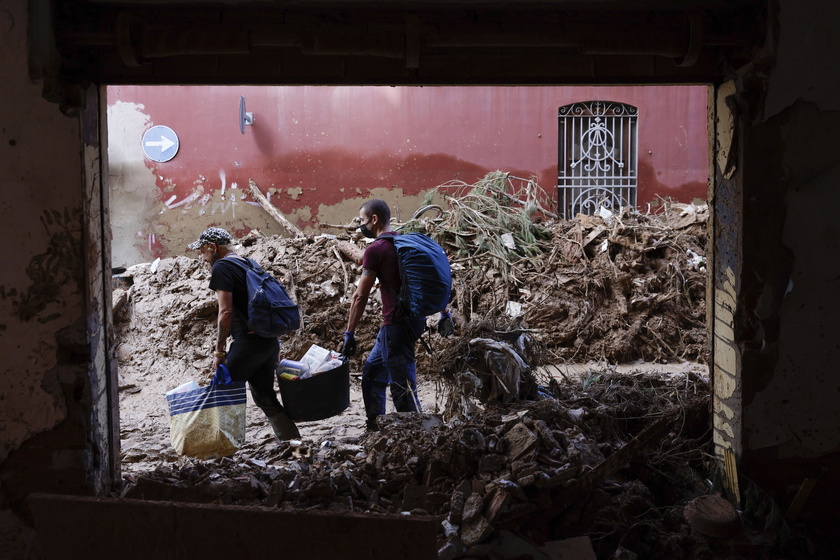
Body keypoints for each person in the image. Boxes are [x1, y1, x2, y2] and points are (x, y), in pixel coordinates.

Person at [340, 199, 453, 431]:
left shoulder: (375, 250)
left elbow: (359, 297)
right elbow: (423, 279)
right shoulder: (403, 242)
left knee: (402, 387)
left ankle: (420, 435)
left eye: (362, 221)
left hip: (396, 326)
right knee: (372, 371)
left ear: (374, 219)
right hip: (412, 321)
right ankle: (375, 427)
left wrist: (349, 333)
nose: (361, 226)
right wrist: (444, 312)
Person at [188, 226, 300, 441]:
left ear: (213, 247)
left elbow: (226, 311)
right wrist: (274, 341)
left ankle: (221, 455)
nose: (202, 258)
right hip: (267, 343)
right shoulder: (248, 263)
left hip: (248, 343)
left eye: (202, 251)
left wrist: (219, 352)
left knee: (221, 393)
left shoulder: (221, 267)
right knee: (265, 396)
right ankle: (298, 449)